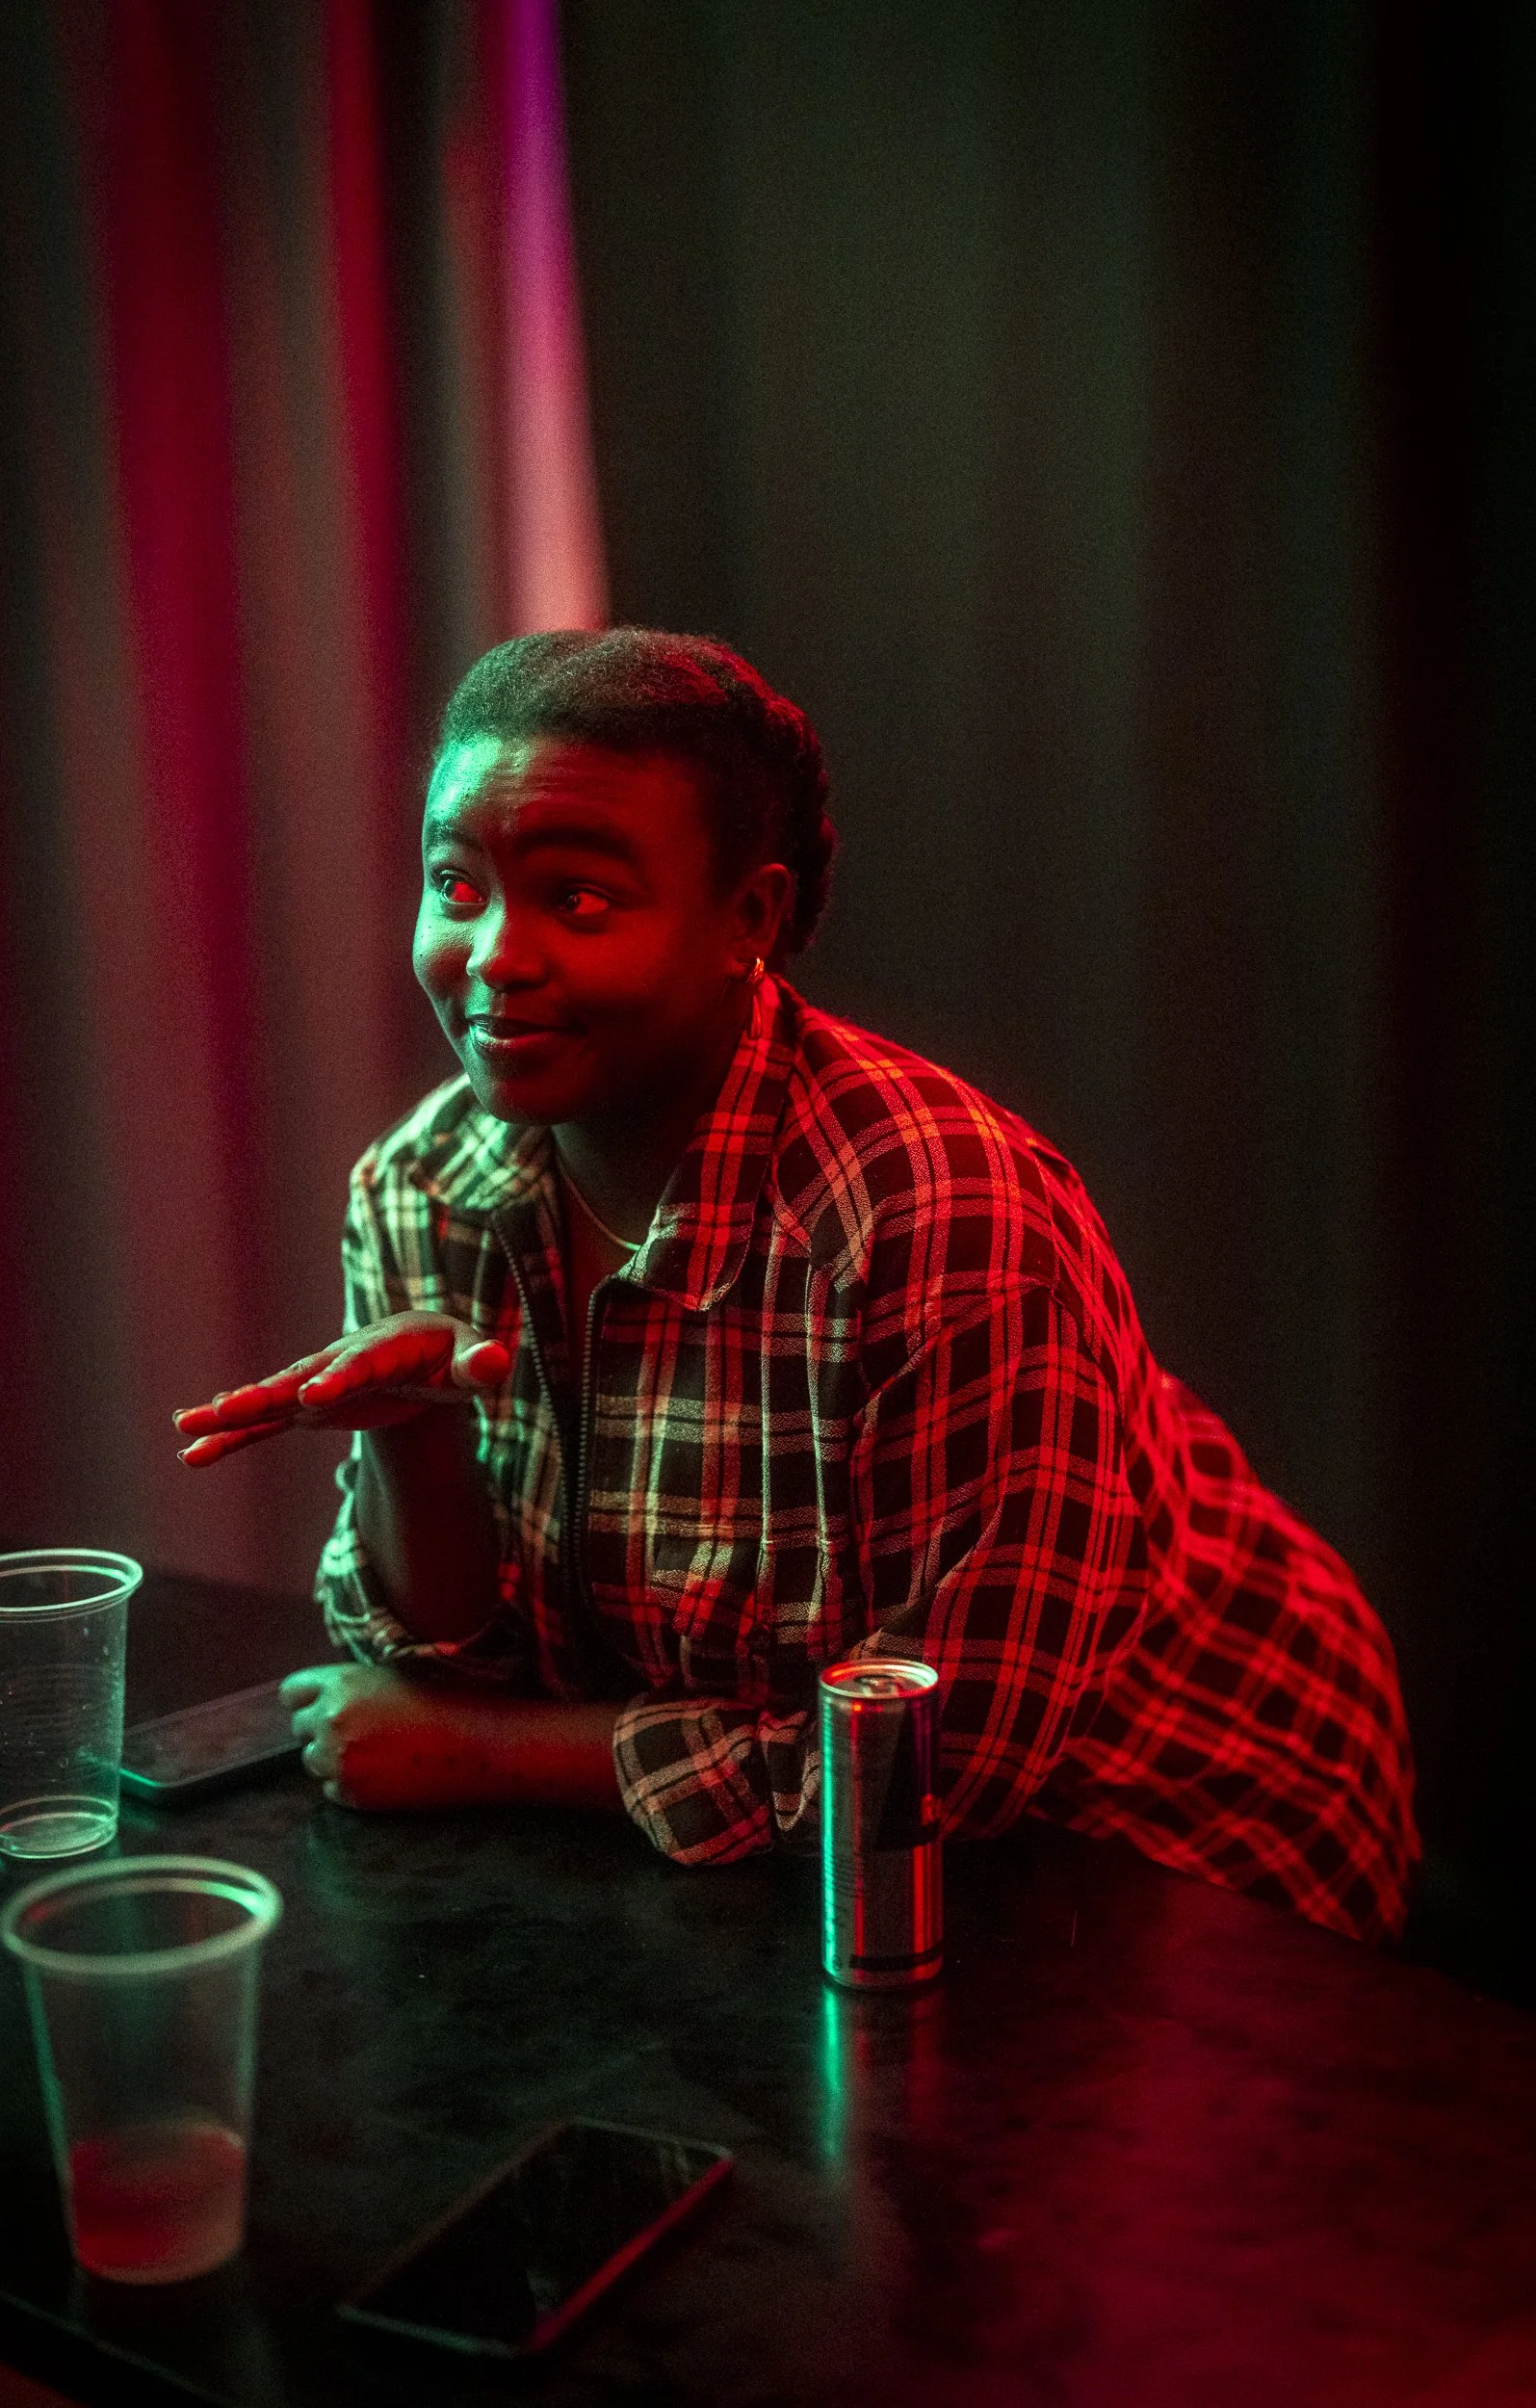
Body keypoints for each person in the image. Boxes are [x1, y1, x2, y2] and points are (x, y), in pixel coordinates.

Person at [173, 628, 1419, 1944]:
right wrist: (414, 1443)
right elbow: (448, 1677)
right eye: (456, 885)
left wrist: (492, 1754)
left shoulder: (941, 1220)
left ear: (748, 921)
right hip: (773, 1875)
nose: (493, 954)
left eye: (577, 899)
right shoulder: (421, 1188)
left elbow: (936, 1763)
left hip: (1165, 1829)